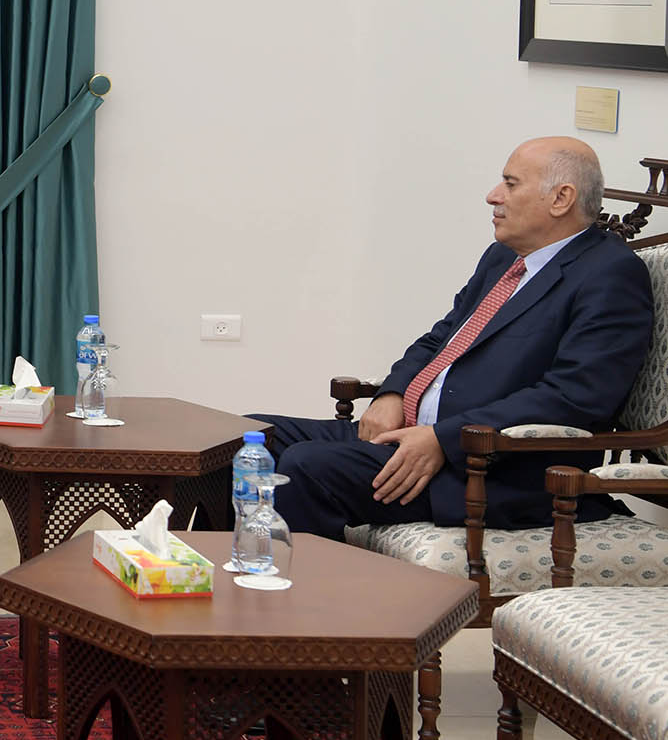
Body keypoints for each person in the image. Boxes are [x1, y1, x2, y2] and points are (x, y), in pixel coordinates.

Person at [254, 136, 653, 539]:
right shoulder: (503, 258)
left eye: (511, 184)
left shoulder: (610, 274)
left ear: (561, 198)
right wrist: (392, 394)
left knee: (308, 464)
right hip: (414, 436)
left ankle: (302, 596)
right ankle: (226, 575)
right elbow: (441, 338)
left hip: (488, 470)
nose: (492, 196)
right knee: (247, 437)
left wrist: (443, 440)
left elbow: (574, 396)